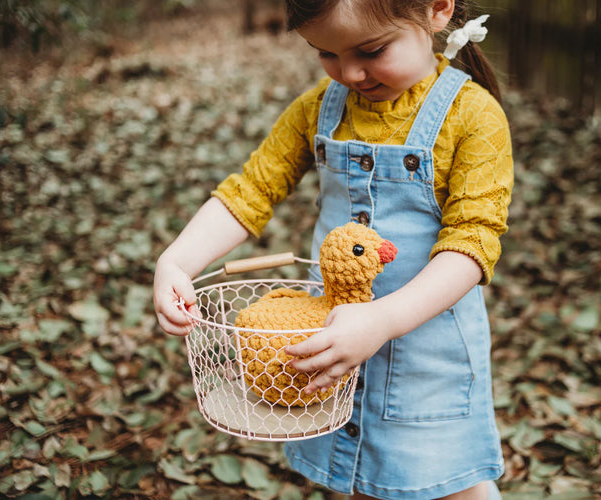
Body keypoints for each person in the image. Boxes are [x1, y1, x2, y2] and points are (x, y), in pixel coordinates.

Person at [153, 0, 513, 498]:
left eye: (372, 50)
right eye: (325, 53)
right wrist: (177, 260)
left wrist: (382, 320)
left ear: (436, 10)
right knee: (363, 481)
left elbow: (473, 244)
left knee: (451, 485)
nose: (349, 73)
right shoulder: (319, 109)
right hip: (329, 345)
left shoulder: (474, 117)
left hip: (426, 358)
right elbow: (251, 190)